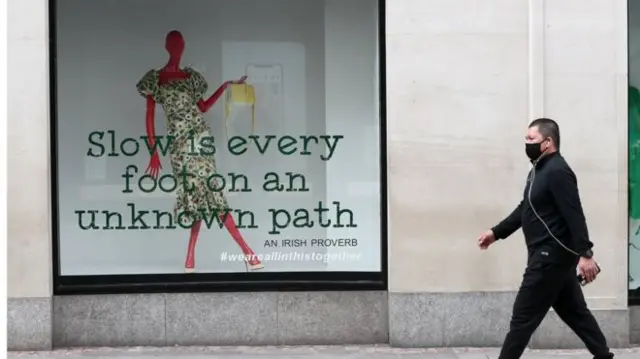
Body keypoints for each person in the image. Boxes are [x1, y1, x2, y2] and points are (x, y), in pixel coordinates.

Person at [476, 118, 614, 359]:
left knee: (522, 318)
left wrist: (586, 254)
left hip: (548, 258)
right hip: (555, 260)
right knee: (576, 314)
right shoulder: (538, 170)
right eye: (526, 139)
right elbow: (525, 209)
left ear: (548, 142)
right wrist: (495, 233)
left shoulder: (558, 171)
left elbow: (574, 214)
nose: (526, 143)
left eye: (531, 139)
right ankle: (603, 356)